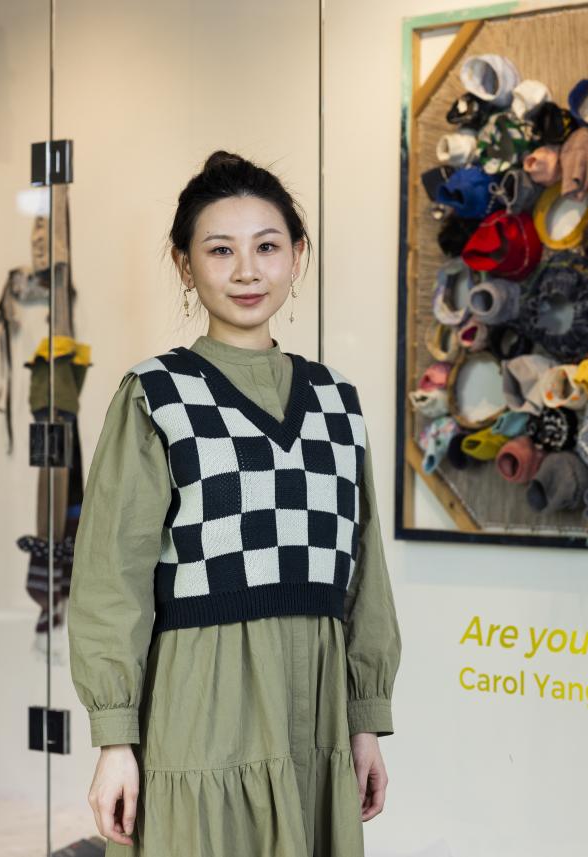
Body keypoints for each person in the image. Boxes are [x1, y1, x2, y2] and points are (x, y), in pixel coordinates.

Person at [67, 150, 402, 856]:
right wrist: (115, 740)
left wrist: (365, 718)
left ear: (297, 255)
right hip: (199, 701)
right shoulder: (156, 393)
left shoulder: (337, 400)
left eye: (267, 246)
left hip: (312, 706)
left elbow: (362, 569)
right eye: (220, 250)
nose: (247, 270)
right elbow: (111, 577)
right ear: (185, 265)